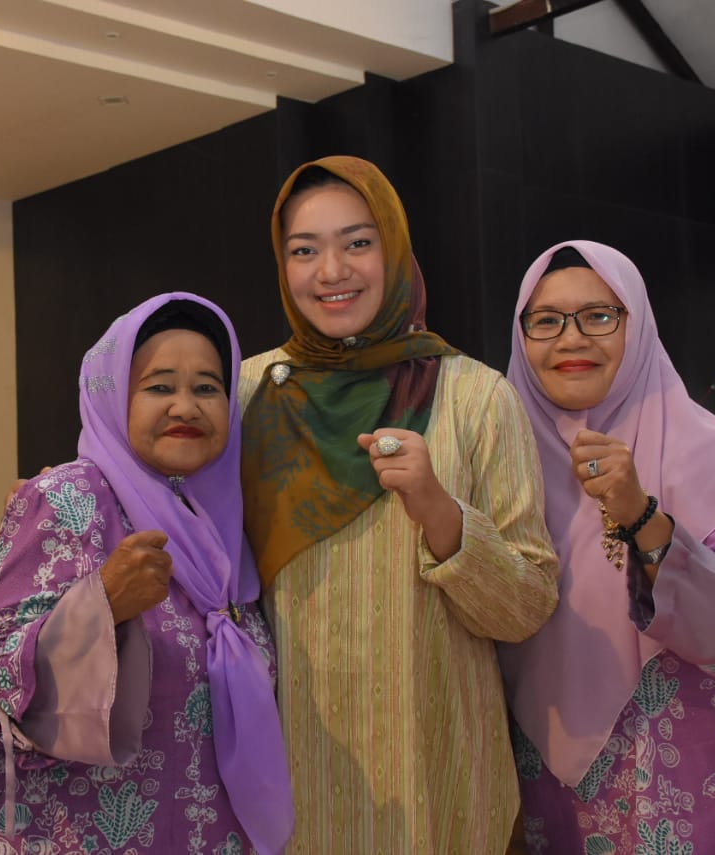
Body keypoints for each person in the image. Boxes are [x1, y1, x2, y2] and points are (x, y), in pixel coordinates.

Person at [237, 155, 560, 853]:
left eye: (358, 242)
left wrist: (440, 512)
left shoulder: (475, 397)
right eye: (304, 250)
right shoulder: (246, 395)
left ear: (395, 247)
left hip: (435, 782)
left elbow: (526, 606)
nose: (331, 271)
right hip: (288, 782)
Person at [0, 293, 294, 854]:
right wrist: (98, 607)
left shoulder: (229, 533)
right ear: (112, 397)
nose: (186, 407)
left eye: (207, 388)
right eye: (159, 387)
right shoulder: (67, 500)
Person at [498, 240, 715, 853]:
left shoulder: (710, 456)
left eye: (599, 316)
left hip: (690, 792)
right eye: (546, 320)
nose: (571, 338)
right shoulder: (497, 466)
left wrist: (643, 518)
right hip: (540, 799)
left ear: (636, 325)